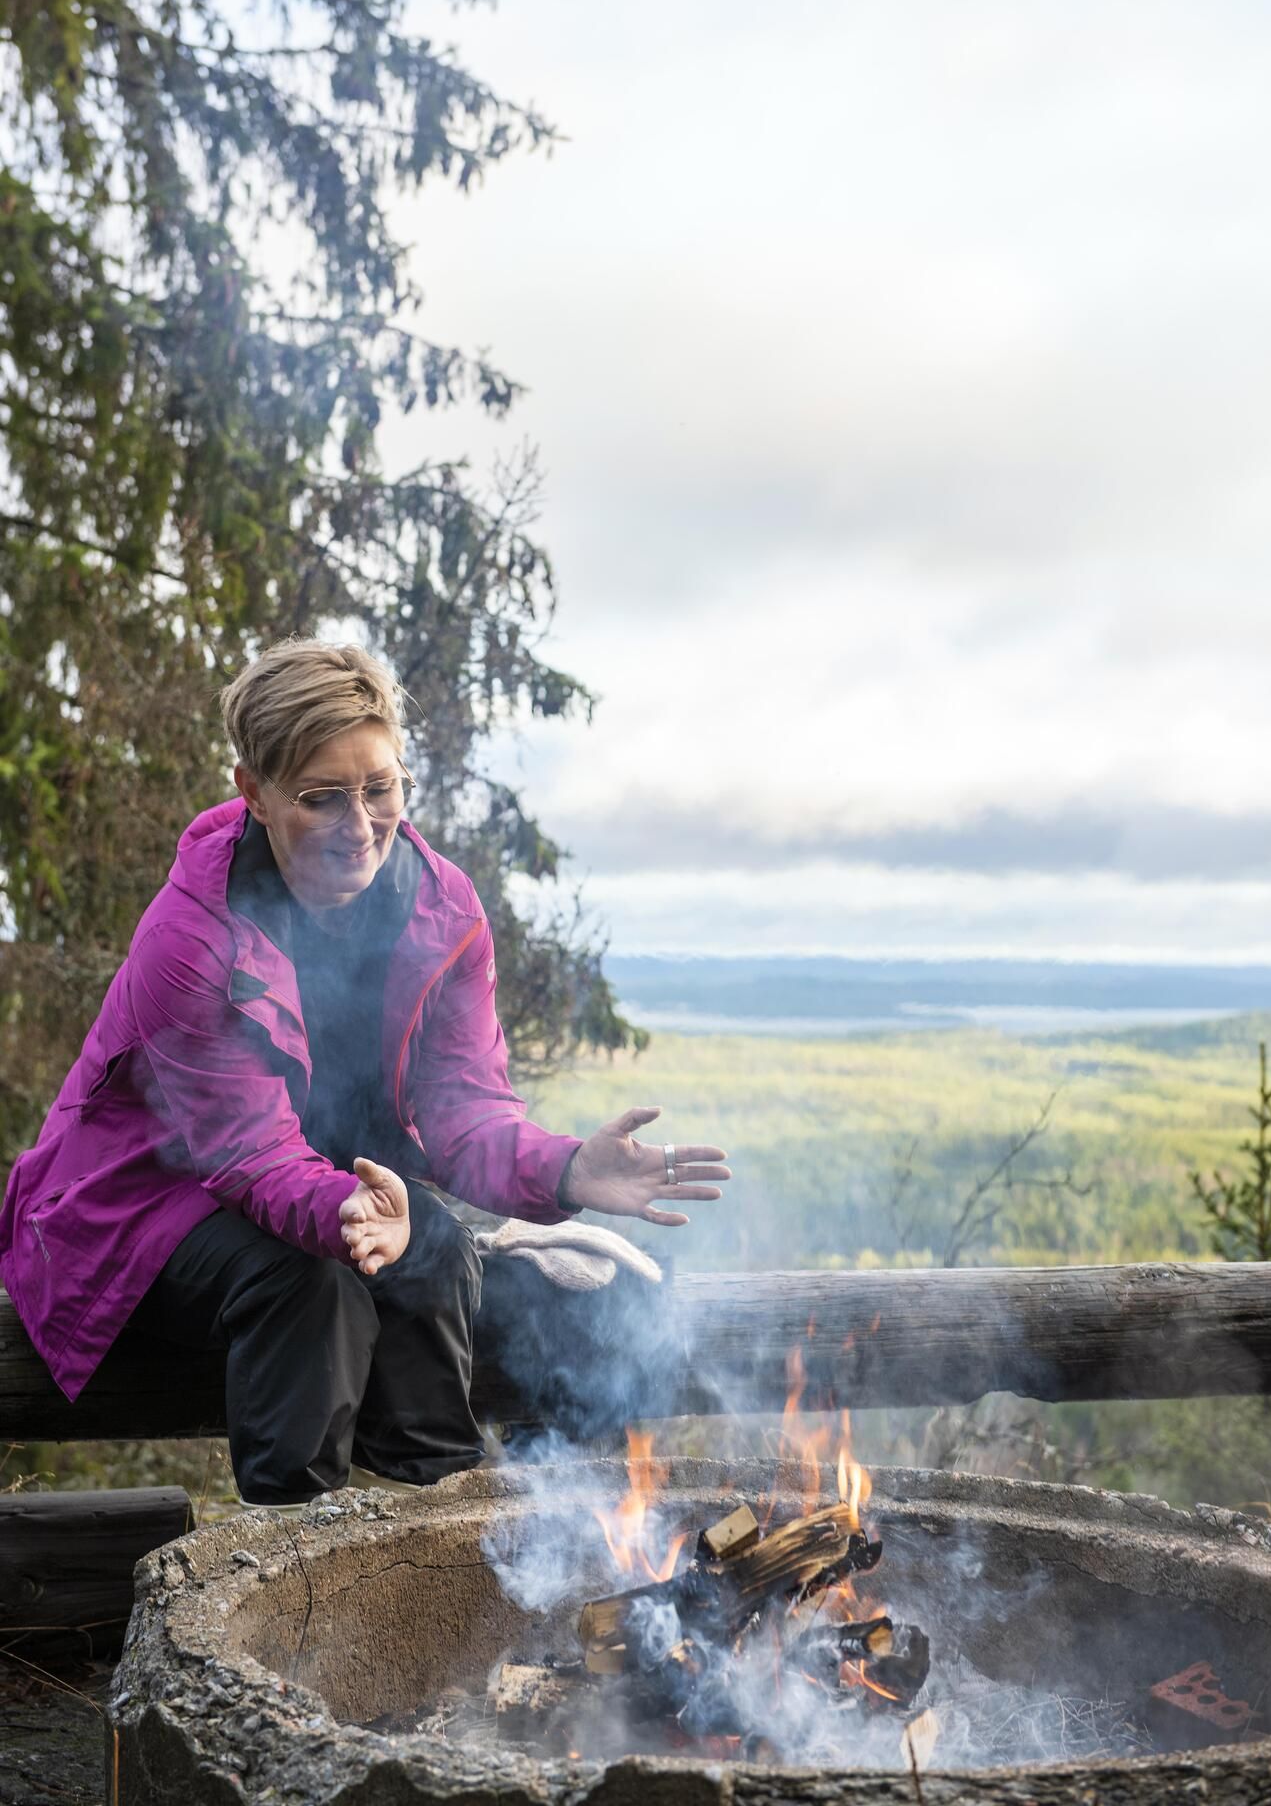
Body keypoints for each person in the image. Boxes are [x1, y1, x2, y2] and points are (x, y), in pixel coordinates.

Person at [0, 640, 729, 1506]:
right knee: (309, 1280)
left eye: (380, 788)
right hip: (138, 1211)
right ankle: (300, 1559)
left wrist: (563, 1168)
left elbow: (462, 1110)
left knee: (437, 1243)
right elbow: (249, 1156)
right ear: (254, 793)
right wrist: (346, 1211)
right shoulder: (191, 940)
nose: (361, 826)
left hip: (326, 1189)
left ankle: (434, 1521)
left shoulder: (440, 906)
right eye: (322, 797)